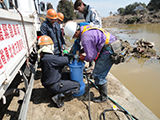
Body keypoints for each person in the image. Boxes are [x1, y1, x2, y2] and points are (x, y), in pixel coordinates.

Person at [64, 21, 117, 103]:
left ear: (76, 32)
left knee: (99, 74)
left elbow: (91, 56)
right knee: (98, 69)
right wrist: (83, 50)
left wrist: (83, 57)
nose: (75, 37)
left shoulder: (85, 37)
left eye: (74, 36)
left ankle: (103, 97)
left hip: (109, 50)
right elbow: (92, 43)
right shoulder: (84, 27)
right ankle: (98, 82)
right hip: (109, 43)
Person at [38, 35, 80, 108]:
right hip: (54, 85)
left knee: (70, 75)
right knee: (77, 85)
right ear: (49, 47)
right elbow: (66, 60)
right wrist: (66, 53)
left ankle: (59, 90)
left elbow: (58, 62)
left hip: (49, 81)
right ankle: (57, 96)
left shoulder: (44, 57)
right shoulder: (50, 58)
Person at [74, 0, 102, 70]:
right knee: (90, 50)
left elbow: (98, 25)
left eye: (78, 9)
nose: (78, 11)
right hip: (90, 35)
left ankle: (97, 70)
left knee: (95, 54)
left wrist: (87, 25)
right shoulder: (86, 13)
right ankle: (91, 66)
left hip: (96, 36)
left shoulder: (92, 11)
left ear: (82, 5)